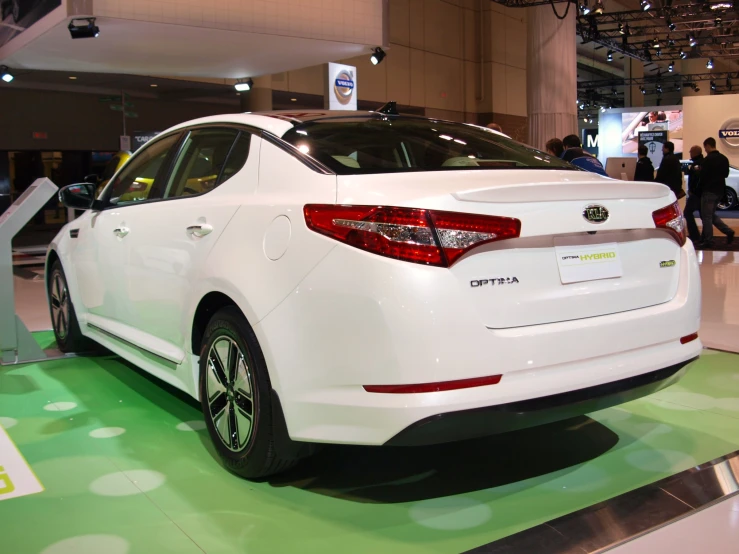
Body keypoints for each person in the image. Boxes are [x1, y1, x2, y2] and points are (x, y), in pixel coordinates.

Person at [699, 137, 735, 247]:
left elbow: (703, 176)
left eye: (705, 147)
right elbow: (726, 174)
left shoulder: (707, 160)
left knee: (707, 216)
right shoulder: (724, 158)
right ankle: (728, 231)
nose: (705, 149)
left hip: (709, 190)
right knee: (710, 215)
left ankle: (709, 240)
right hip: (719, 190)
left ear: (708, 146)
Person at [684, 145, 704, 243]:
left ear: (695, 152)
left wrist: (693, 190)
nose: (689, 152)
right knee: (704, 215)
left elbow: (696, 180)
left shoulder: (697, 165)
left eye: (691, 151)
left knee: (687, 212)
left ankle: (695, 235)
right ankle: (704, 236)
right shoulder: (701, 163)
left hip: (696, 194)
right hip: (700, 193)